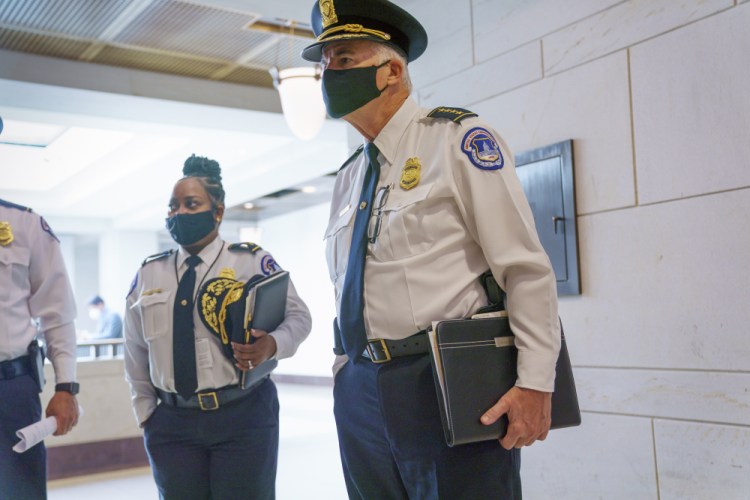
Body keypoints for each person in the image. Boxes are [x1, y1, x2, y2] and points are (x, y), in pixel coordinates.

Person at [301, 1, 561, 498]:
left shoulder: (457, 140)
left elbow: (525, 270)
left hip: (442, 381)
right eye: (324, 63)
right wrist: (343, 372)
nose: (327, 74)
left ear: (392, 71)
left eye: (343, 60)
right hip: (360, 389)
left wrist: (534, 383)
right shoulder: (349, 175)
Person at [123, 154, 312, 499]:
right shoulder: (150, 273)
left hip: (242, 415)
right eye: (172, 206)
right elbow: (135, 350)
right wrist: (146, 414)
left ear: (218, 211)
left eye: (191, 204)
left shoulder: (250, 260)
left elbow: (299, 317)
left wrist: (271, 345)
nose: (178, 213)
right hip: (172, 424)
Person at [1, 111, 80, 500]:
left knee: (21, 492)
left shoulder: (25, 226)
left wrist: (66, 386)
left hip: (11, 391)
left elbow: (58, 315)